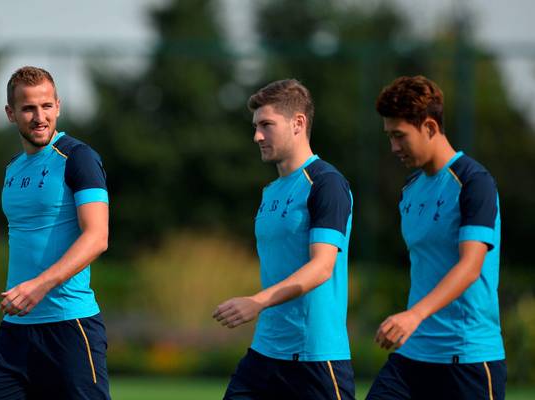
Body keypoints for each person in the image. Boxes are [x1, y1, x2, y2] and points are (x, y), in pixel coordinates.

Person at [213, 79, 355, 400]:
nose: (257, 136)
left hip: (315, 359)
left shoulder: (326, 183)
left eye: (266, 125)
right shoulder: (270, 191)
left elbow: (322, 267)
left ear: (298, 123)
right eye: (255, 126)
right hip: (265, 354)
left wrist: (257, 302)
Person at [366, 75, 506, 399]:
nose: (393, 147)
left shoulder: (474, 182)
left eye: (400, 136)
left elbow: (470, 267)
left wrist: (413, 314)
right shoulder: (410, 192)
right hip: (413, 356)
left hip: (467, 359)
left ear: (429, 127)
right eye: (389, 136)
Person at [0, 66, 111, 399]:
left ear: (58, 106)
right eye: (28, 108)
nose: (40, 117)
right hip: (16, 333)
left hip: (69, 328)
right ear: (11, 113)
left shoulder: (79, 158)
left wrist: (38, 286)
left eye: (46, 106)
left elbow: (97, 237)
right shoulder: (12, 168)